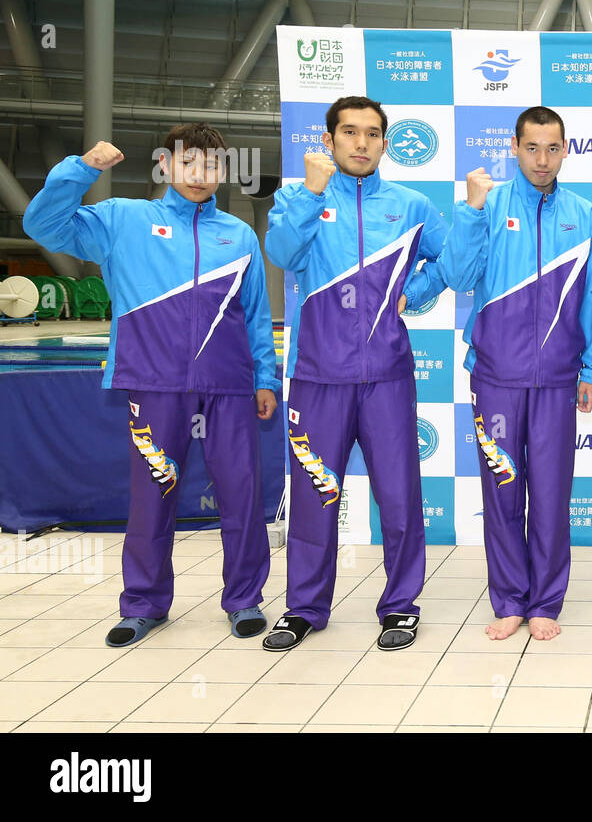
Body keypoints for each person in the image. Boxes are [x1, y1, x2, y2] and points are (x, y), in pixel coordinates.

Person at [24, 125, 277, 647]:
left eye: (212, 165)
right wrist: (83, 167)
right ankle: (144, 604)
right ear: (166, 164)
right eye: (190, 163)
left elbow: (255, 314)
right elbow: (42, 223)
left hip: (228, 387)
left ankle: (244, 599)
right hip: (153, 384)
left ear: (223, 171)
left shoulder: (239, 234)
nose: (200, 174)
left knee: (241, 497)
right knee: (152, 497)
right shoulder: (123, 219)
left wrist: (265, 376)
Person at [263, 96, 449, 652]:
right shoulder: (298, 199)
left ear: (385, 143)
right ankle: (305, 607)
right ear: (329, 140)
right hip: (318, 376)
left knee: (398, 495)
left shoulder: (412, 204)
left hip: (388, 375)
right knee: (316, 493)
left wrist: (410, 295)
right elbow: (281, 253)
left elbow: (453, 260)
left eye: (372, 134)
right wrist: (312, 193)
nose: (361, 143)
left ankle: (400, 605)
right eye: (350, 133)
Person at [439, 105, 592, 641]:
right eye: (531, 147)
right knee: (503, 491)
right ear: (513, 147)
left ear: (566, 150)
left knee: (553, 494)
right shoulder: (487, 205)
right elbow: (460, 275)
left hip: (558, 377)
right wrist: (469, 210)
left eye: (551, 148)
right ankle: (509, 599)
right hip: (496, 376)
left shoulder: (587, 215)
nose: (541, 159)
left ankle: (546, 602)